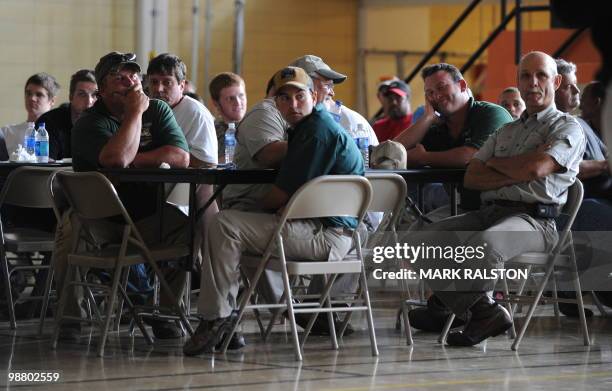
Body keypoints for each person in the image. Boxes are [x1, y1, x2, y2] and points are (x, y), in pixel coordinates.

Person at [405, 51, 585, 346]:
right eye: (525, 76)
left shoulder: (567, 127)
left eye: (541, 75)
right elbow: (472, 175)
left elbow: (537, 168)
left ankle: (455, 308)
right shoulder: (506, 130)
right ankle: (482, 311)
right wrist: (522, 167)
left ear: (557, 80)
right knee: (415, 242)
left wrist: (503, 165)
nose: (533, 83)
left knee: (484, 245)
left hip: (536, 221)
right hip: (491, 212)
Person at [183, 66, 364, 356]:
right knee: (231, 225)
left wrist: (253, 208)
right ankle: (224, 318)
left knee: (226, 223)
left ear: (314, 96)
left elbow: (280, 196)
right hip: (331, 231)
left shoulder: (313, 134)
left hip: (327, 236)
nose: (292, 104)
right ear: (275, 103)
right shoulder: (312, 128)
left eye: (299, 96)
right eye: (284, 98)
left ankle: (217, 318)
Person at [55, 52, 190, 341]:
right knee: (70, 227)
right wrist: (134, 114)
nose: (129, 80)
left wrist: (134, 157)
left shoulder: (159, 110)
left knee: (190, 227)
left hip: (146, 218)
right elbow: (115, 159)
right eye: (118, 76)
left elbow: (180, 157)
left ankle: (165, 315)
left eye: (132, 74)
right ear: (102, 90)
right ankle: (70, 319)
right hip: (98, 221)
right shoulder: (89, 123)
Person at [34, 70, 97, 161]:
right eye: (82, 94)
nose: (89, 102)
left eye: (95, 95)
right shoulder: (49, 121)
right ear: (71, 97)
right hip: (56, 174)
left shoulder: (107, 121)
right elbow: (44, 165)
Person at [0, 72, 60, 160]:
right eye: (28, 93)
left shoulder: (59, 134)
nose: (32, 98)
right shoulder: (6, 132)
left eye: (39, 95)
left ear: (52, 100)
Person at [208, 72, 247, 162]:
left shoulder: (257, 126)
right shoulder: (210, 131)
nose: (238, 103)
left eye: (241, 96)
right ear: (216, 103)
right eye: (230, 98)